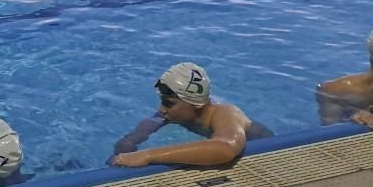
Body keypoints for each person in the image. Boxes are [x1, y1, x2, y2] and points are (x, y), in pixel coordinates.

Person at [110, 63, 270, 167]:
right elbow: (147, 126)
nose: (162, 109)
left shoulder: (225, 113)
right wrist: (126, 147)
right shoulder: (179, 111)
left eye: (168, 103)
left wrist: (148, 155)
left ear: (196, 104)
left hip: (267, 153)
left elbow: (226, 149)